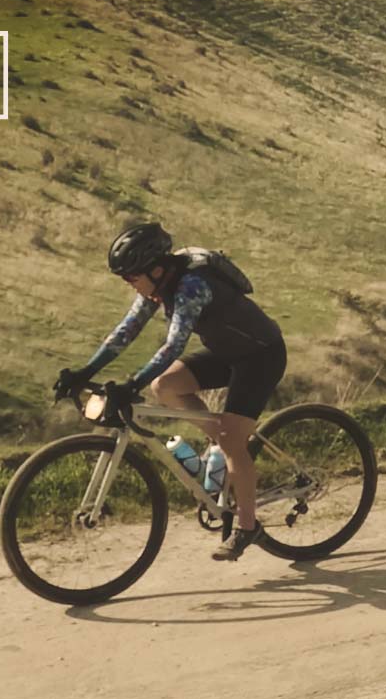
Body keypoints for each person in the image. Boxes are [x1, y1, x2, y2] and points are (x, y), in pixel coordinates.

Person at [53, 222, 289, 562]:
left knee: (233, 440)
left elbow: (172, 347)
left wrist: (130, 384)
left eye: (131, 276)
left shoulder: (192, 286)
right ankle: (224, 447)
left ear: (156, 268)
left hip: (261, 356)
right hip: (227, 352)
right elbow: (126, 330)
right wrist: (84, 372)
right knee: (165, 386)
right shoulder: (158, 285)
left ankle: (247, 526)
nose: (129, 283)